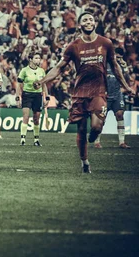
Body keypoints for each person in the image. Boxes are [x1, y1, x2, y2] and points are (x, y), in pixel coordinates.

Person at [35, 13, 134, 173]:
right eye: (85, 20)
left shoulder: (106, 43)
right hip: (80, 92)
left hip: (99, 91)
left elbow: (115, 66)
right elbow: (59, 67)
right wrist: (43, 80)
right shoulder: (74, 46)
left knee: (96, 126)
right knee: (81, 129)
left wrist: (126, 87)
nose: (89, 22)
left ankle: (93, 137)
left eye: (91, 19)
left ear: (94, 23)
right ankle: (84, 162)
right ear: (80, 25)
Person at [94, 48, 131, 149]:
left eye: (120, 57)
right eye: (117, 56)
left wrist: (126, 69)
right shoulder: (104, 65)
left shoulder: (122, 67)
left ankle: (122, 142)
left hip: (117, 95)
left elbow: (127, 80)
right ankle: (97, 141)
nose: (118, 59)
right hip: (104, 95)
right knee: (101, 119)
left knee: (120, 114)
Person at [16, 52, 48, 146]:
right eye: (36, 58)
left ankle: (36, 140)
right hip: (27, 95)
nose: (39, 60)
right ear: (31, 59)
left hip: (38, 95)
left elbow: (44, 84)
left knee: (36, 118)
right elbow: (19, 84)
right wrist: (18, 97)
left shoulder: (41, 71)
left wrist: (46, 97)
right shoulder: (24, 70)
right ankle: (22, 139)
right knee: (26, 116)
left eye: (39, 58)